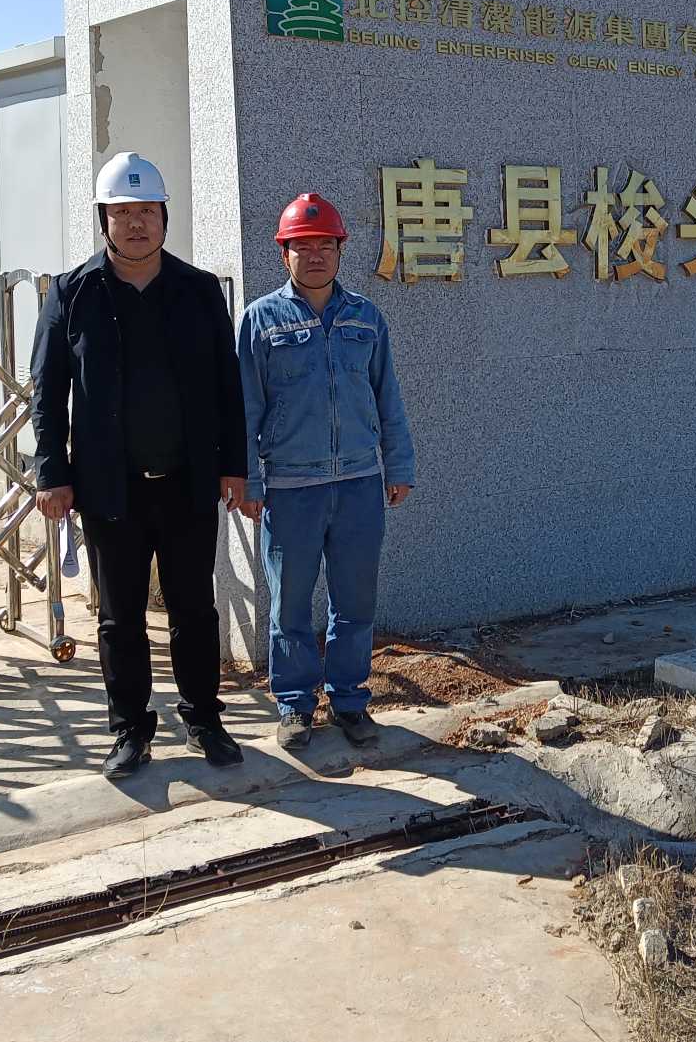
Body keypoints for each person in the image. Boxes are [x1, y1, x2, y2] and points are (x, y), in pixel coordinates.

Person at [30, 152, 248, 779]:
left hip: (187, 483)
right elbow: (47, 390)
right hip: (109, 488)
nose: (135, 224)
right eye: (122, 213)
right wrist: (52, 471)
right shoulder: (72, 293)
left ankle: (204, 719)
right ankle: (129, 729)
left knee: (194, 610)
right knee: (120, 617)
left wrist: (234, 466)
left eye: (146, 211)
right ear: (104, 219)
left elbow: (227, 387)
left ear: (164, 218)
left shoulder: (199, 291)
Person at [236, 193, 415, 750]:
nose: (315, 256)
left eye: (325, 246)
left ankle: (350, 700)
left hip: (359, 482)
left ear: (340, 251)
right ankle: (294, 705)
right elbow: (245, 408)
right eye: (302, 247)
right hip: (291, 488)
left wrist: (398, 465)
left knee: (355, 602)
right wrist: (249, 480)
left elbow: (388, 398)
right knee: (290, 604)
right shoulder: (261, 320)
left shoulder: (367, 317)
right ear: (283, 254)